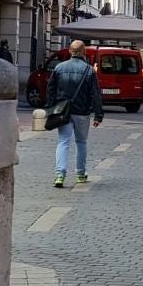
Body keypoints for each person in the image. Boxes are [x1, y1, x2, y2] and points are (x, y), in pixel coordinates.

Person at [47, 40, 103, 188]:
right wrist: (98, 115)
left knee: (63, 142)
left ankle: (60, 174)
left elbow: (50, 90)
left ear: (70, 51)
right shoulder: (89, 70)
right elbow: (95, 94)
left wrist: (51, 108)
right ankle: (80, 173)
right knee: (81, 143)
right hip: (82, 112)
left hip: (63, 112)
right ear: (84, 52)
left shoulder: (59, 68)